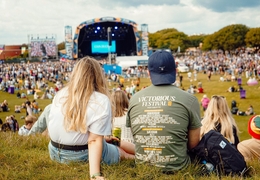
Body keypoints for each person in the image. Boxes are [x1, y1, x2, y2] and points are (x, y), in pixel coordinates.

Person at [42, 57, 134, 180]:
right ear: (98, 76)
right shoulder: (100, 100)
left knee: (110, 141)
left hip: (54, 151)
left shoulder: (61, 94)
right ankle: (145, 158)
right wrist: (95, 175)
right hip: (80, 154)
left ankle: (143, 153)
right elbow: (94, 141)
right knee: (120, 151)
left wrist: (103, 138)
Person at [126, 50, 202, 172]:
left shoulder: (134, 99)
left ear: (149, 73)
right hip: (179, 167)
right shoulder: (189, 99)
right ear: (175, 71)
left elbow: (136, 135)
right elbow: (193, 144)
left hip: (143, 167)